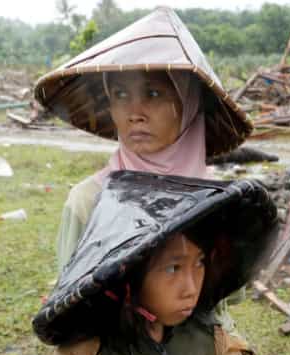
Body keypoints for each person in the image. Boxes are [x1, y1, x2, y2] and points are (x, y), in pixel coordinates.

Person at [33, 7, 253, 331]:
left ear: (189, 105)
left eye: (153, 93)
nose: (134, 112)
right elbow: (74, 311)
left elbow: (224, 302)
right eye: (120, 94)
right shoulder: (88, 202)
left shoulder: (217, 202)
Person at [33, 171, 280, 355]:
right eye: (173, 268)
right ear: (129, 276)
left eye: (200, 263)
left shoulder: (211, 338)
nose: (191, 287)